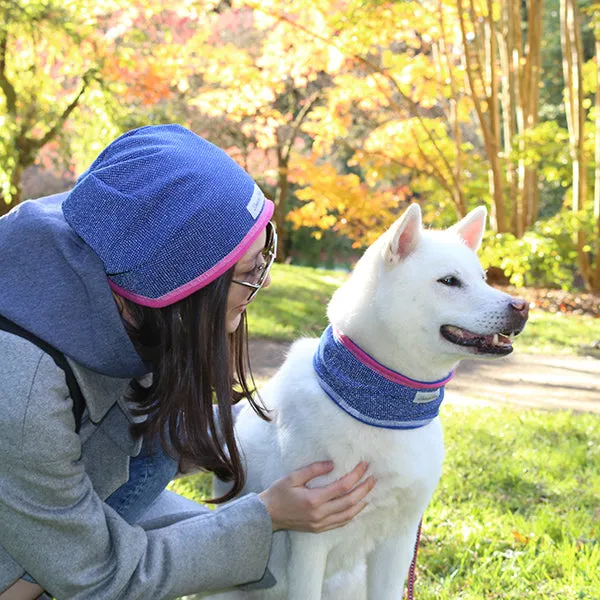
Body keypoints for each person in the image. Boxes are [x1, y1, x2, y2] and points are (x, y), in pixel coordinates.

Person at [0, 125, 375, 600]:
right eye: (246, 272)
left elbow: (165, 435)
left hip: (63, 503)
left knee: (263, 559)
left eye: (265, 258)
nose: (264, 283)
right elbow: (92, 575)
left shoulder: (120, 246)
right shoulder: (22, 385)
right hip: (40, 560)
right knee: (256, 549)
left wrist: (322, 417)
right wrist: (267, 516)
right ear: (182, 287)